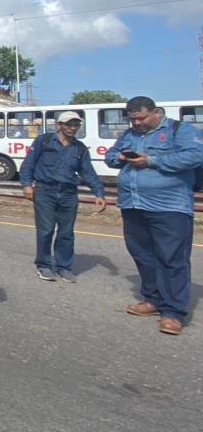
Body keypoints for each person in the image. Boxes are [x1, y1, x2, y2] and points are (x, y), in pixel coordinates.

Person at [106, 96, 203, 336]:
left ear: (156, 112)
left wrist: (151, 160)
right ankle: (153, 299)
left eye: (142, 118)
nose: (137, 123)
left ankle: (173, 312)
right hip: (133, 204)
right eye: (133, 119)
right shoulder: (129, 135)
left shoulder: (178, 130)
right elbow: (110, 155)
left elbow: (195, 156)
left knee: (172, 258)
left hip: (169, 206)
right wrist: (119, 157)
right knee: (142, 254)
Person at [19, 111, 107, 283]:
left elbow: (87, 172)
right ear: (59, 125)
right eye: (68, 124)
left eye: (76, 125)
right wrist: (27, 185)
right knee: (46, 229)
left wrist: (99, 193)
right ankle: (44, 265)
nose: (72, 128)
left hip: (68, 193)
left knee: (66, 232)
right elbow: (28, 164)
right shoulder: (43, 141)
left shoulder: (79, 148)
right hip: (45, 191)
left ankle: (64, 267)